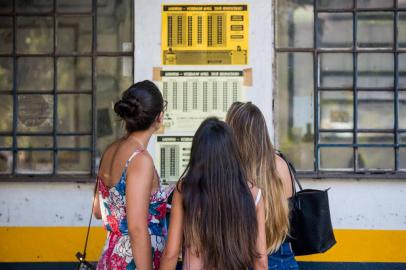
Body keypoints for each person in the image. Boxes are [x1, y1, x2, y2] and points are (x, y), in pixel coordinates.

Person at [160, 117, 268, 270]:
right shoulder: (254, 194)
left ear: (198, 154)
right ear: (232, 153)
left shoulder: (185, 190)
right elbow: (261, 262)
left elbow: (171, 254)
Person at [93, 80, 174, 270]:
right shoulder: (140, 160)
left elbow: (98, 211)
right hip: (133, 262)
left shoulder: (110, 150)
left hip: (110, 257)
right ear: (159, 117)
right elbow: (137, 229)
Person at [226, 102, 299, 270]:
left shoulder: (231, 169)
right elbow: (289, 213)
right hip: (281, 255)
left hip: (239, 257)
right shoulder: (280, 164)